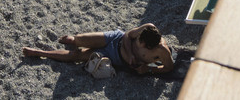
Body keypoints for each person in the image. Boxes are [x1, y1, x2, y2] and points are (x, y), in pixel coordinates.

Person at [22, 24, 174, 76]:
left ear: (149, 47)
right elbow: (128, 34)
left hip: (113, 57)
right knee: (80, 38)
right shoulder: (147, 29)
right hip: (115, 38)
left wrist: (148, 70)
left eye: (140, 42)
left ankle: (38, 53)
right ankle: (74, 40)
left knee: (77, 56)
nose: (138, 39)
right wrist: (130, 53)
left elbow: (169, 68)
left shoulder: (162, 51)